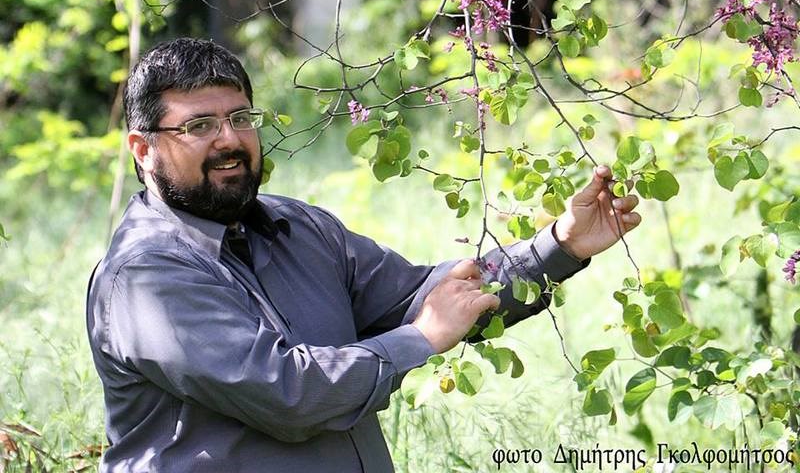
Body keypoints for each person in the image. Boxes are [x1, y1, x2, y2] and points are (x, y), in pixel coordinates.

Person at [86, 37, 641, 473]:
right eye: (199, 126)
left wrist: (560, 244)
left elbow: (426, 296)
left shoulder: (298, 228)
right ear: (142, 147)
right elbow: (286, 392)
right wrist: (421, 338)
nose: (229, 140)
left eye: (240, 118)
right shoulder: (145, 276)